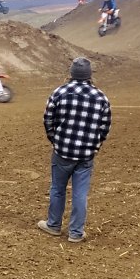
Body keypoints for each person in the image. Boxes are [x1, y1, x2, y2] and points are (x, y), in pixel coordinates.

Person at [38, 57, 112, 243]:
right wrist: (95, 146)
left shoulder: (59, 92)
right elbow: (105, 127)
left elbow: (48, 120)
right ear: (89, 75)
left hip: (62, 151)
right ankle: (76, 233)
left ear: (71, 73)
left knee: (57, 189)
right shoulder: (101, 97)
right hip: (86, 155)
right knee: (80, 193)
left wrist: (55, 140)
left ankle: (54, 225)